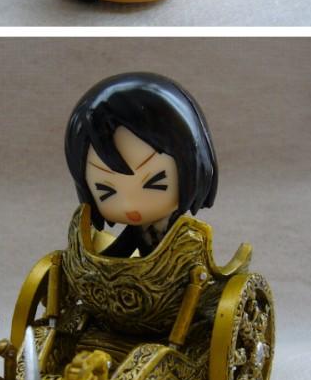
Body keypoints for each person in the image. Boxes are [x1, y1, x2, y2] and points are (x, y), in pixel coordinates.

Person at [64, 72, 218, 256]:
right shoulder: (138, 231)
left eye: (155, 183)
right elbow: (120, 250)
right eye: (106, 191)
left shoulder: (185, 233)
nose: (130, 205)